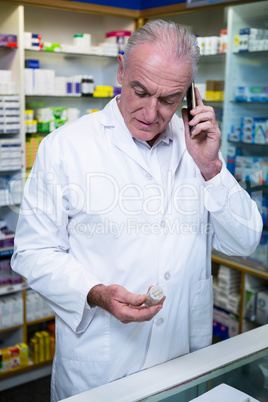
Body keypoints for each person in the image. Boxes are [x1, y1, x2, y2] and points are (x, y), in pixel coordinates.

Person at [11, 20, 262, 401]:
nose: (150, 112)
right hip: (103, 369)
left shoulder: (198, 147)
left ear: (190, 96)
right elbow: (32, 253)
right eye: (140, 91)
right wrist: (95, 293)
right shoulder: (65, 147)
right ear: (121, 70)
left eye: (169, 100)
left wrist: (211, 169)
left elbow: (244, 241)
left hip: (183, 364)